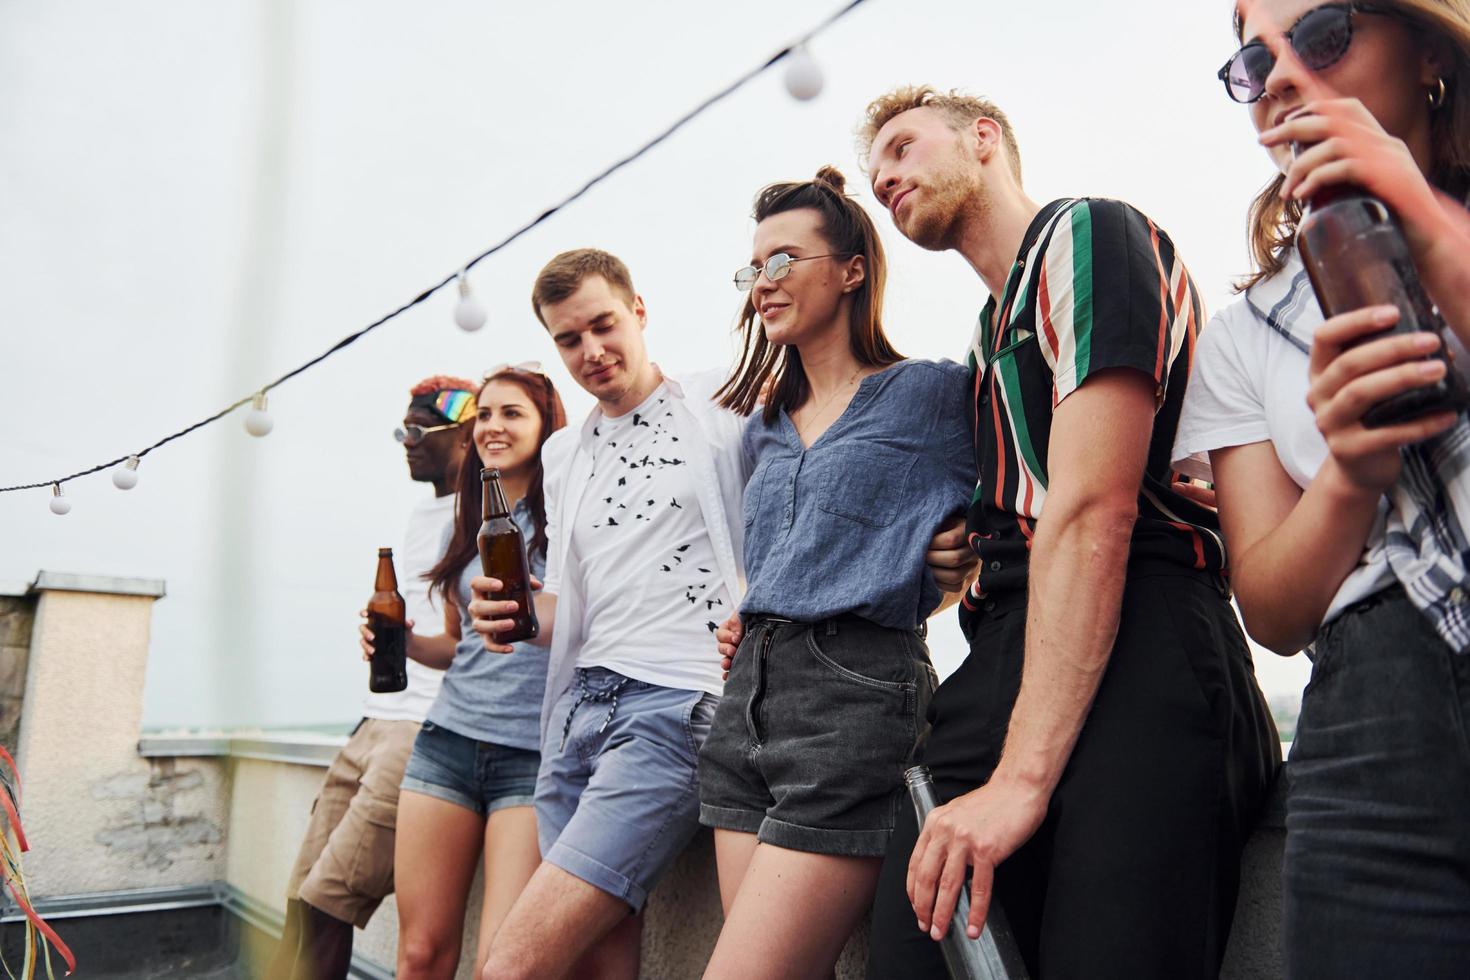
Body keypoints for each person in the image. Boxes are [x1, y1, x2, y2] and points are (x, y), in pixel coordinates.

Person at [859, 87, 1281, 979]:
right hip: (1010, 647)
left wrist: (1020, 781)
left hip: (1144, 624)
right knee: (917, 947)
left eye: (901, 147)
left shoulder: (1085, 233)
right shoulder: (985, 335)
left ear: (983, 139)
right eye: (874, 172)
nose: (884, 177)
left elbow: (1095, 511)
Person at [472, 249, 975, 980]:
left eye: (603, 325)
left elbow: (829, 473)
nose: (591, 351)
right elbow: (580, 603)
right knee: (600, 969)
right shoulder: (561, 452)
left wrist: (924, 548)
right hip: (578, 715)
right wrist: (519, 616)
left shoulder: (728, 405)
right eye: (568, 339)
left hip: (677, 708)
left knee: (510, 964)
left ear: (639, 310)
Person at [1172, 2, 1470, 975]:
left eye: (1327, 33)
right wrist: (1350, 468)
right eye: (1256, 62)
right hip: (1376, 715)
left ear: (1431, 44)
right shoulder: (1246, 332)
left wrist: (1420, 217)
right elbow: (1272, 607)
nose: (1285, 76)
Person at [696, 166, 973, 979]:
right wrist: (750, 617)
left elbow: (1016, 509)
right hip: (745, 705)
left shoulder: (928, 395)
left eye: (784, 260)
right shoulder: (763, 433)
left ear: (852, 270)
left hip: (853, 697)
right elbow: (783, 563)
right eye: (754, 268)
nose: (764, 283)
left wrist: (951, 565)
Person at [265, 375, 471, 980]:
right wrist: (390, 639)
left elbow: (470, 645)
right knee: (300, 896)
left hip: (421, 730)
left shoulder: (480, 514)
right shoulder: (417, 516)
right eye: (401, 430)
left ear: (462, 436)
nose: (406, 442)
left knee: (331, 901)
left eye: (418, 429)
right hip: (373, 722)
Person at [366, 366, 567, 979]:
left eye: (512, 414)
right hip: (445, 742)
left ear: (546, 427)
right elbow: (460, 646)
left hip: (529, 756)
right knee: (420, 955)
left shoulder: (567, 517)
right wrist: (399, 642)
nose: (493, 426)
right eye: (484, 415)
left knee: (499, 963)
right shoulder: (470, 516)